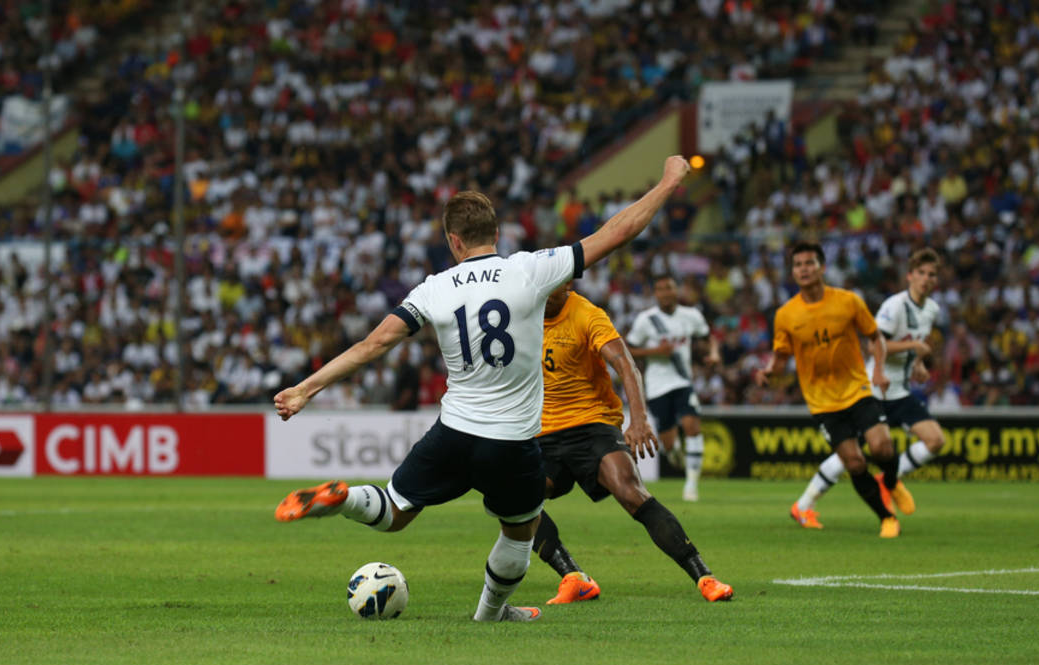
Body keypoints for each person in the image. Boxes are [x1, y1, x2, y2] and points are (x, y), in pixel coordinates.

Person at [271, 155, 693, 622]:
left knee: (394, 509)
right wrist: (667, 182)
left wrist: (306, 389)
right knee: (521, 529)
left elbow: (373, 344)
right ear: (497, 233)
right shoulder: (531, 270)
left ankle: (346, 498)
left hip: (453, 431)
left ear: (454, 241)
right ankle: (490, 614)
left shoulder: (433, 288)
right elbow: (617, 232)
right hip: (512, 441)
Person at [531, 280, 734, 604]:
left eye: (549, 286)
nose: (540, 292)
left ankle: (705, 577)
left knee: (630, 492)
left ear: (567, 283)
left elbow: (625, 364)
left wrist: (638, 420)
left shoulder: (587, 314)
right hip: (544, 432)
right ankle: (574, 578)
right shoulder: (522, 314)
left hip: (592, 423)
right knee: (513, 500)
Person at [753, 242, 911, 539]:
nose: (804, 269)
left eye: (809, 263)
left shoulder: (848, 301)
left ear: (822, 267)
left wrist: (878, 370)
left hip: (857, 388)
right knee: (854, 462)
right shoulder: (786, 314)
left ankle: (890, 482)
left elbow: (875, 337)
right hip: (822, 402)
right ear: (793, 272)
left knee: (882, 447)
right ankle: (887, 517)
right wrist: (769, 372)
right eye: (798, 265)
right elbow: (781, 356)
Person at [788, 248, 946, 528]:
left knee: (935, 440)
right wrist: (913, 347)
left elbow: (916, 344)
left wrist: (918, 362)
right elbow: (877, 344)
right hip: (875, 389)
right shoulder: (894, 306)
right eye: (921, 273)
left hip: (901, 391)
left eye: (931, 274)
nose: (926, 279)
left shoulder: (931, 309)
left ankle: (888, 481)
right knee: (850, 457)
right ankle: (803, 505)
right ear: (909, 276)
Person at [626, 273, 720, 501]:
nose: (666, 293)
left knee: (692, 427)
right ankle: (675, 451)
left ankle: (691, 486)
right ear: (655, 293)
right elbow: (627, 350)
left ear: (676, 290)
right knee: (668, 445)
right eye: (661, 289)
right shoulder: (646, 320)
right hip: (657, 387)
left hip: (683, 382)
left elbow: (709, 337)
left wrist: (714, 353)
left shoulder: (691, 315)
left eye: (669, 287)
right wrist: (655, 352)